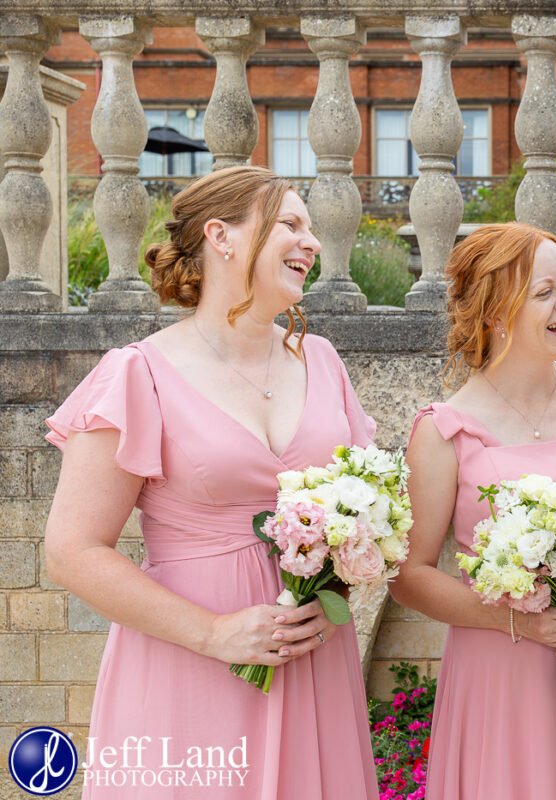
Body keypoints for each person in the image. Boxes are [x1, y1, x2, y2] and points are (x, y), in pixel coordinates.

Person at [44, 166, 379, 798]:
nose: (311, 242)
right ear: (221, 236)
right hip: (188, 663)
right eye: (290, 224)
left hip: (311, 660)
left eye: (311, 229)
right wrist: (215, 634)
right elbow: (71, 551)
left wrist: (346, 573)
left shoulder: (324, 362)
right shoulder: (136, 374)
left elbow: (369, 507)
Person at [389, 223, 556, 800]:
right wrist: (515, 620)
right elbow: (410, 574)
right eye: (545, 291)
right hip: (497, 670)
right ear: (496, 311)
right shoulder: (444, 430)